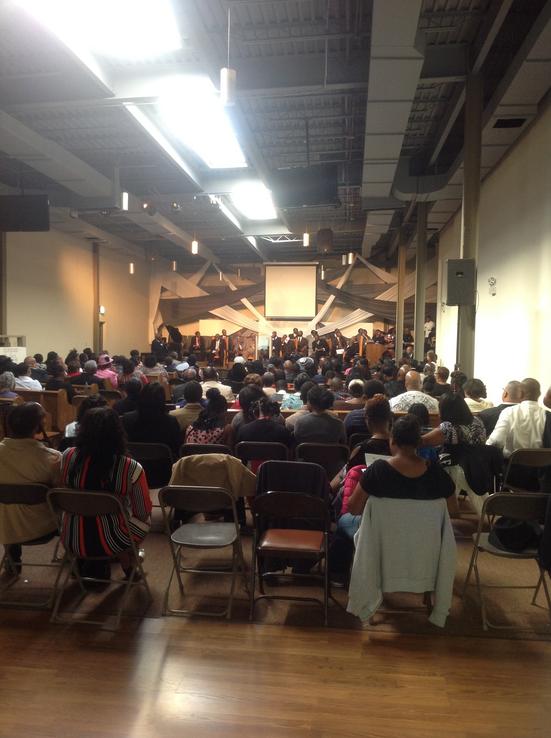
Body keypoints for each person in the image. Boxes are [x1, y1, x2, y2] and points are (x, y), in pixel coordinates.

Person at [59, 407, 152, 578]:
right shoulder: (130, 467)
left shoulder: (67, 456)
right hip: (113, 542)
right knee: (140, 519)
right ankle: (129, 565)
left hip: (72, 539)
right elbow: (143, 511)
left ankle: (83, 561)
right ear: (118, 433)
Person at [347, 415, 455, 518]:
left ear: (392, 440)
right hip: (426, 531)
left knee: (345, 520)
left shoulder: (376, 471)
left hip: (382, 530)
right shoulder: (437, 473)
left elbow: (354, 509)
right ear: (419, 442)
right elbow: (453, 512)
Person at [0, 403, 60, 573]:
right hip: (44, 527)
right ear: (39, 427)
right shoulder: (53, 458)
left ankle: (12, 559)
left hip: (4, 527)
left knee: (8, 509)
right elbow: (62, 495)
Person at [487, 378, 549, 457]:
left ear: (521, 393)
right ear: (539, 394)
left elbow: (496, 441)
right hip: (542, 464)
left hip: (511, 463)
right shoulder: (548, 415)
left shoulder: (508, 412)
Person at [122, 383, 181, 457]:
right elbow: (177, 449)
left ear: (141, 396)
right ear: (163, 399)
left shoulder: (127, 419)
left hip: (134, 462)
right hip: (164, 463)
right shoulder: (171, 422)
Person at [421, 393, 486, 448]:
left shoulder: (448, 427)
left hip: (458, 458)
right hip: (480, 457)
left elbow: (423, 441)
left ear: (443, 409)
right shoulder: (477, 420)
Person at [348, 394, 392, 465]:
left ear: (367, 419)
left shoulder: (359, 450)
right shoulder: (400, 450)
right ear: (390, 418)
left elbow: (349, 470)